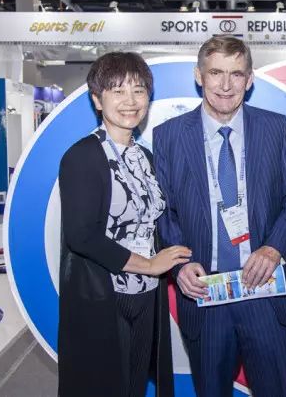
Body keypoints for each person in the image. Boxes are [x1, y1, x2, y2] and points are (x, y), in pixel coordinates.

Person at [153, 36, 286, 397]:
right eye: (216, 73)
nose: (226, 85)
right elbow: (165, 212)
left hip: (266, 294)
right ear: (199, 76)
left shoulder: (275, 128)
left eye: (236, 74)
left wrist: (274, 249)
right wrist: (180, 264)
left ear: (249, 79)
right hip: (206, 297)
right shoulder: (168, 136)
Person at [57, 52, 191, 397]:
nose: (130, 101)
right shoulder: (82, 156)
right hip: (105, 298)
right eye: (117, 91)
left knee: (134, 387)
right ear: (97, 99)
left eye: (139, 90)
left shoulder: (144, 157)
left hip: (146, 296)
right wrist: (149, 265)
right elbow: (81, 235)